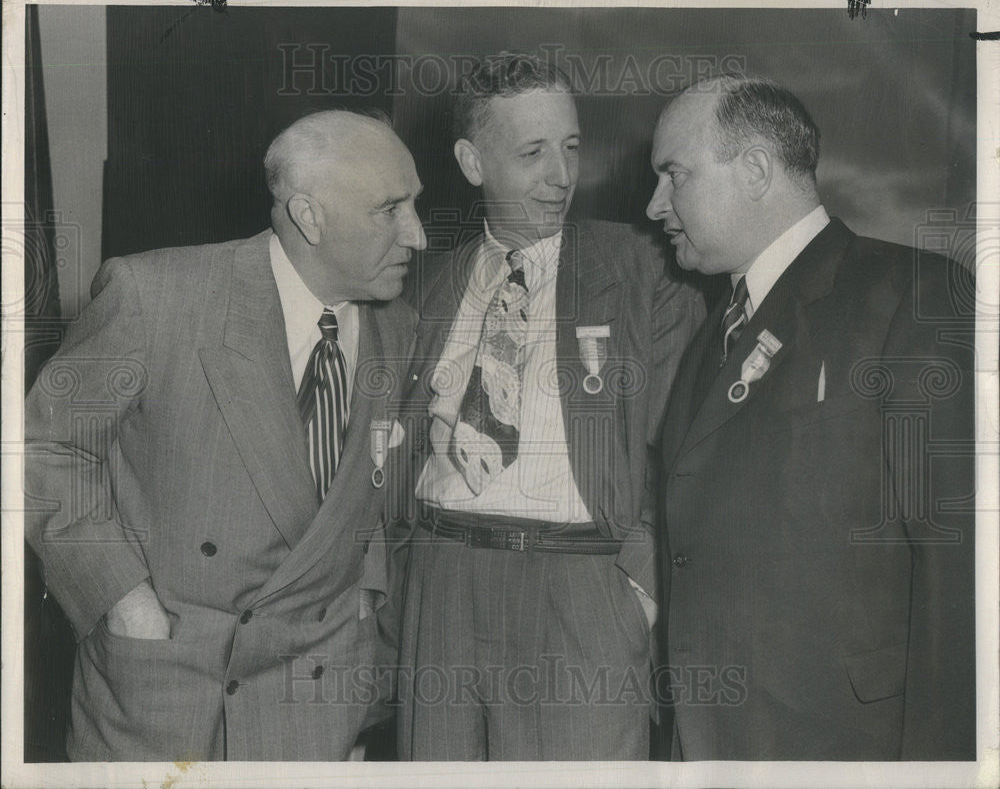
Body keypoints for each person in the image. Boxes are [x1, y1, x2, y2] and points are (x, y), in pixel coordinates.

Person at [23, 110, 426, 760]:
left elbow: (369, 490)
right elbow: (42, 448)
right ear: (309, 216)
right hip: (169, 691)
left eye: (416, 204)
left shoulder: (397, 327)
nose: (419, 234)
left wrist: (362, 604)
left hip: (317, 696)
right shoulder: (157, 295)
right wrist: (122, 596)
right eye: (392, 209)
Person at [647, 75, 975, 760]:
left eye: (673, 175)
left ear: (757, 168)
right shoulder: (710, 338)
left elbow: (962, 571)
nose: (655, 205)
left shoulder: (914, 296)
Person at [395, 53, 706, 760]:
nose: (562, 176)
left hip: (581, 586)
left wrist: (639, 591)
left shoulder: (641, 269)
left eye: (570, 148)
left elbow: (686, 447)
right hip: (440, 580)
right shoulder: (423, 286)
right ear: (473, 162)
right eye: (533, 153)